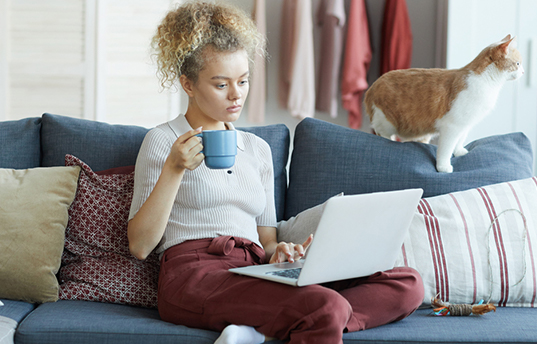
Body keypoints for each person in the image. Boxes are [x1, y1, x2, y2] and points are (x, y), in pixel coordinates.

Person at [127, 2, 424, 343]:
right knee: (323, 306)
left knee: (406, 283)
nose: (236, 95)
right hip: (195, 275)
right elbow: (140, 244)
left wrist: (279, 252)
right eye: (221, 85)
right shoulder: (163, 141)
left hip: (255, 270)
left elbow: (266, 240)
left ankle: (268, 327)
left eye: (243, 80)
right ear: (188, 84)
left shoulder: (258, 149)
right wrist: (174, 169)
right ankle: (303, 319)